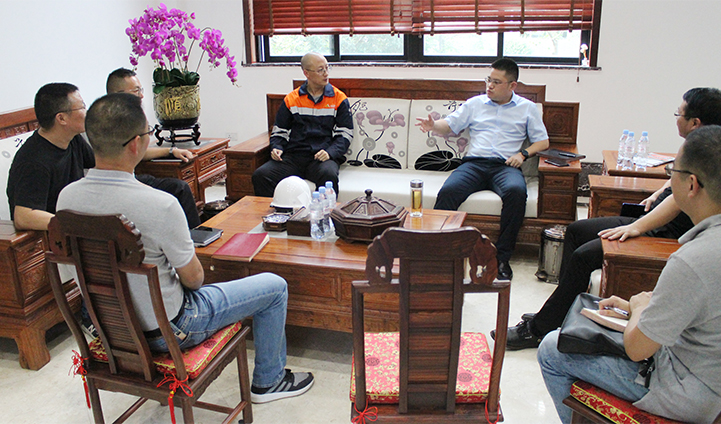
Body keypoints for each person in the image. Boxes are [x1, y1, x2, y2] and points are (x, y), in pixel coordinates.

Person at [57, 93, 314, 403]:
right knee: (274, 286)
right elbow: (194, 280)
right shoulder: (159, 205)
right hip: (171, 330)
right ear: (137, 144)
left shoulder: (66, 199)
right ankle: (269, 382)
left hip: (107, 327)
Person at [498, 87, 721, 350]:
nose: (676, 118)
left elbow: (676, 202)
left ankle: (540, 329)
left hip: (663, 230)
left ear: (695, 122)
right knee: (577, 231)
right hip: (652, 219)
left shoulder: (708, 152)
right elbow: (675, 182)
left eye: (678, 113)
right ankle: (562, 310)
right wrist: (659, 192)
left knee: (584, 256)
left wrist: (635, 227)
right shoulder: (701, 146)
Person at [538, 125, 721, 424]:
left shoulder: (692, 260)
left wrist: (639, 308)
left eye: (672, 171)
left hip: (690, 391)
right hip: (708, 374)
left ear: (692, 184)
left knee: (551, 349)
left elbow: (637, 349)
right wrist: (638, 308)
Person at [416, 58, 549, 280]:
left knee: (516, 192)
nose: (490, 85)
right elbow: (449, 125)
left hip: (505, 166)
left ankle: (501, 258)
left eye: (496, 82)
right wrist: (433, 125)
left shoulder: (527, 108)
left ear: (512, 85)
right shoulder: (475, 104)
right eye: (488, 79)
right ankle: (439, 253)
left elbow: (543, 142)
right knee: (448, 191)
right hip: (474, 164)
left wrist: (522, 154)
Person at [106, 68, 201, 229]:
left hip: (132, 177)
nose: (141, 95)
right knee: (177, 191)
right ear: (117, 94)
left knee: (180, 187)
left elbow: (137, 152)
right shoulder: (105, 122)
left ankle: (196, 234)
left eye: (141, 90)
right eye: (136, 91)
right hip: (120, 185)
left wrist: (171, 151)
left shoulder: (131, 116)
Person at [252, 52, 353, 197]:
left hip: (321, 157)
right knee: (261, 175)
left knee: (328, 175)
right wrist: (277, 147)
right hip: (294, 157)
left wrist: (330, 152)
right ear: (306, 73)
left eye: (327, 68)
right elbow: (279, 130)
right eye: (320, 70)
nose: (326, 73)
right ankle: (277, 211)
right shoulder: (292, 99)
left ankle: (324, 211)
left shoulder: (339, 98)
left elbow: (345, 134)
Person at [7, 82, 95, 231]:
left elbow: (99, 163)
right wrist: (81, 225)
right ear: (61, 118)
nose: (86, 113)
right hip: (55, 235)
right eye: (82, 107)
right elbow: (23, 217)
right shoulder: (33, 161)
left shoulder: (73, 139)